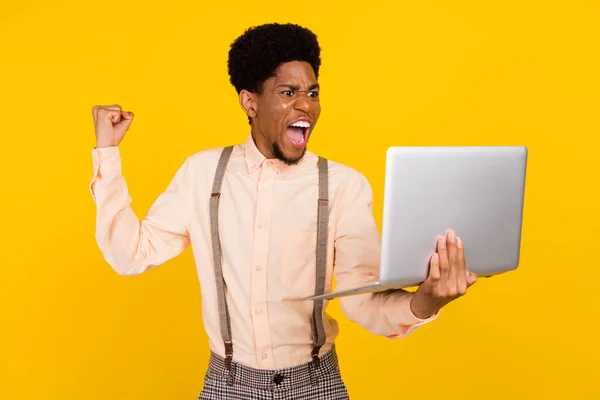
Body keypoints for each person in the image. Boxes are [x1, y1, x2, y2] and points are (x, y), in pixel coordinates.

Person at [89, 23, 477, 399]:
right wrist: (107, 152)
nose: (305, 105)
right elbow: (131, 255)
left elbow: (363, 300)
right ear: (250, 102)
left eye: (313, 92)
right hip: (227, 386)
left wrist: (429, 299)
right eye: (288, 92)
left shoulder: (344, 186)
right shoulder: (202, 173)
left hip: (316, 386)